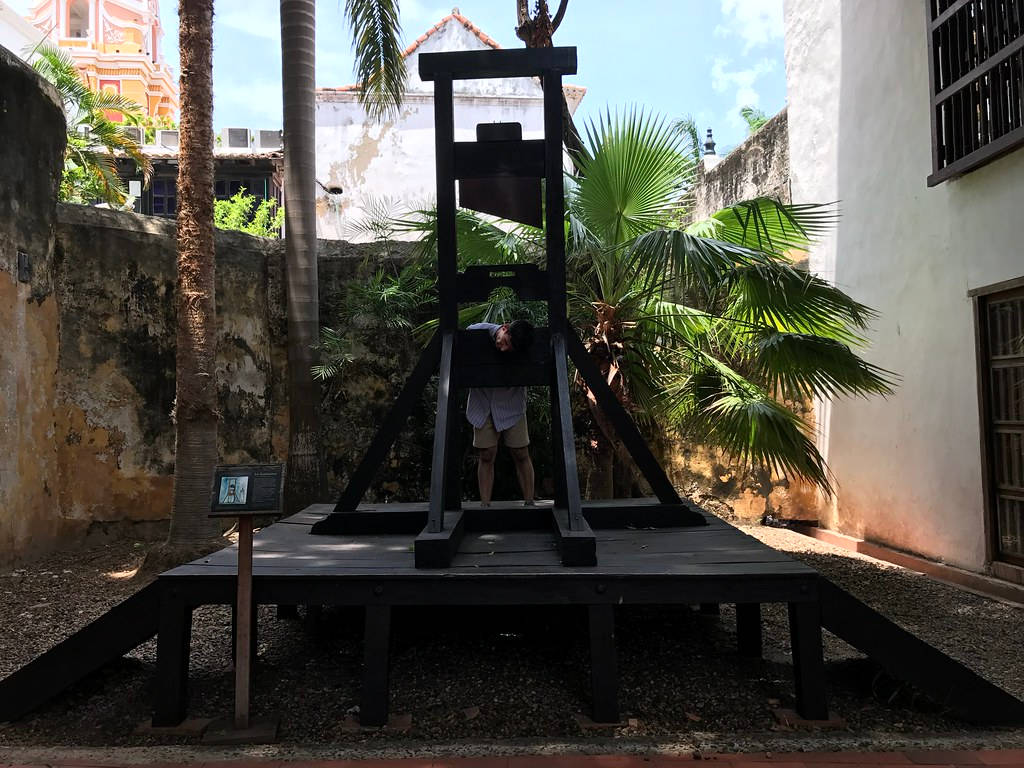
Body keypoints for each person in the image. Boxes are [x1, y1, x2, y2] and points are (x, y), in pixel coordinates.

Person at [465, 320, 536, 507]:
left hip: (511, 402)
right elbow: (467, 333)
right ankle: (485, 504)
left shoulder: (524, 346)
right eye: (505, 342)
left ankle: (529, 502)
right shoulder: (478, 331)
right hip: (483, 402)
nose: (503, 350)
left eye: (510, 348)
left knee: (521, 452)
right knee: (486, 454)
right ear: (504, 328)